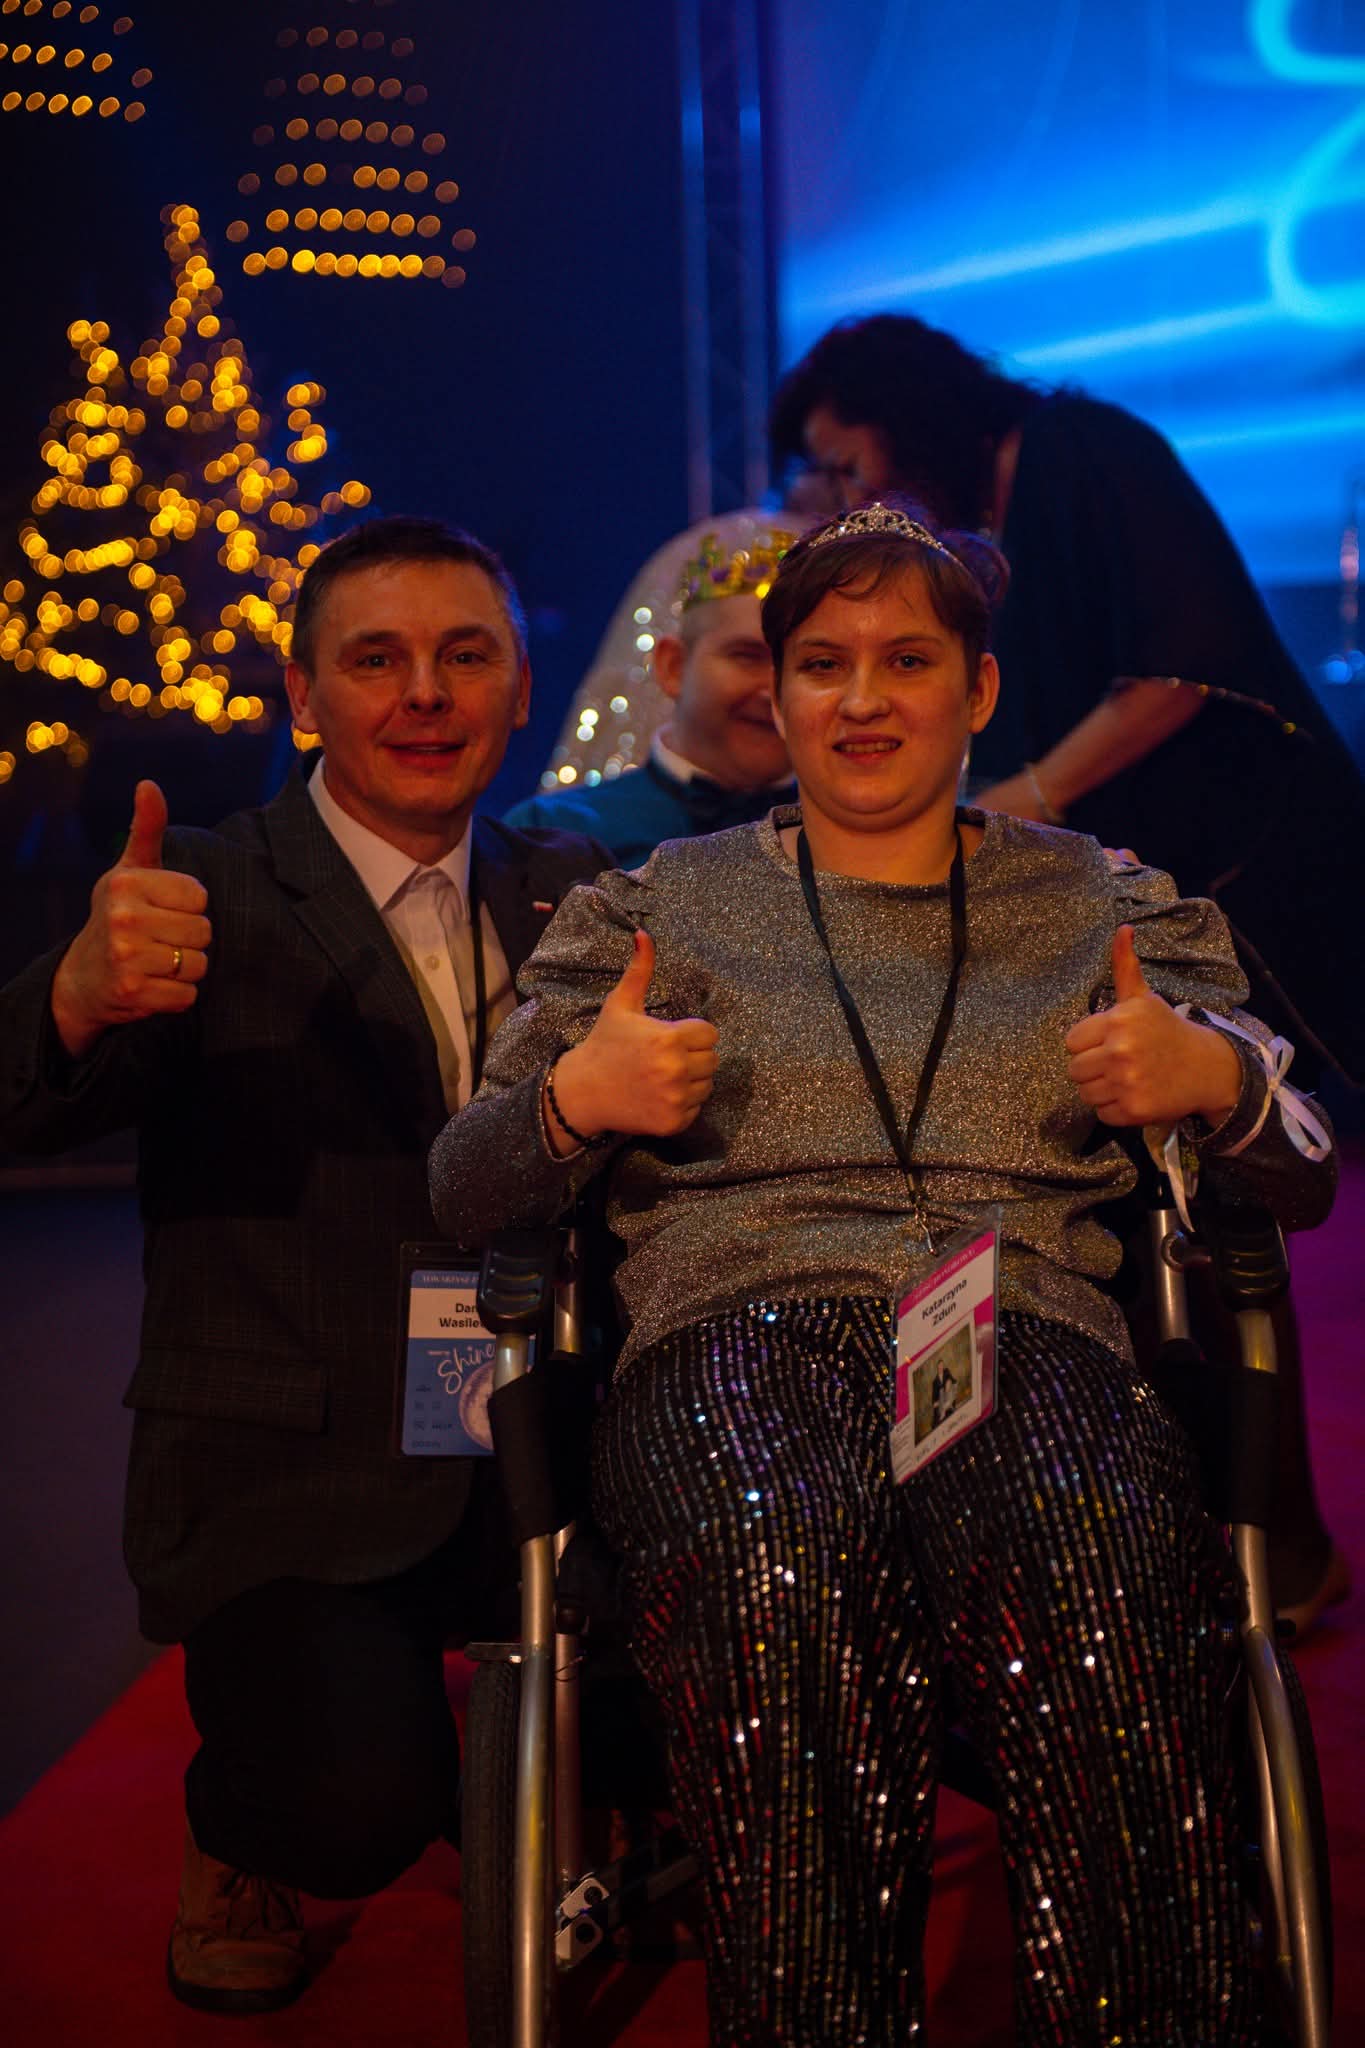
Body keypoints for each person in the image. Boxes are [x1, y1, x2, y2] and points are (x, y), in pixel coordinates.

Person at [431, 500, 1335, 2045]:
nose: (862, 700)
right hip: (731, 1330)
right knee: (780, 1557)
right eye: (822, 663)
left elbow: (1302, 1173)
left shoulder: (1106, 902)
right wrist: (578, 1102)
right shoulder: (651, 912)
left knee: (1100, 1554)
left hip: (1023, 1326)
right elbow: (464, 1185)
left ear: (977, 690)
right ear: (775, 693)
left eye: (906, 661)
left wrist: (1214, 1079)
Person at [0, 517, 610, 2014]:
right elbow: (18, 1096)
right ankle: (236, 1830)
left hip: (540, 1448)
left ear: (520, 686)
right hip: (291, 1471)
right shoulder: (200, 890)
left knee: (697, 1730)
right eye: (377, 659)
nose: (425, 694)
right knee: (352, 1809)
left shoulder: (577, 888)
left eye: (464, 655)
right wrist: (76, 995)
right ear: (303, 695)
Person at [771, 310, 1360, 1631]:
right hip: (1139, 876)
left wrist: (1017, 802)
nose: (850, 492)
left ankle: (1277, 1543)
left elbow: (1174, 671)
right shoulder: (988, 513)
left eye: (850, 461)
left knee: (1222, 1189)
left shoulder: (1084, 447)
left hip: (1249, 871)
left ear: (905, 414)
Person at [504, 521, 798, 862]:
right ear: (673, 666)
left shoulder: (840, 836)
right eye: (747, 656)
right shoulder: (550, 832)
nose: (772, 690)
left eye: (803, 664)